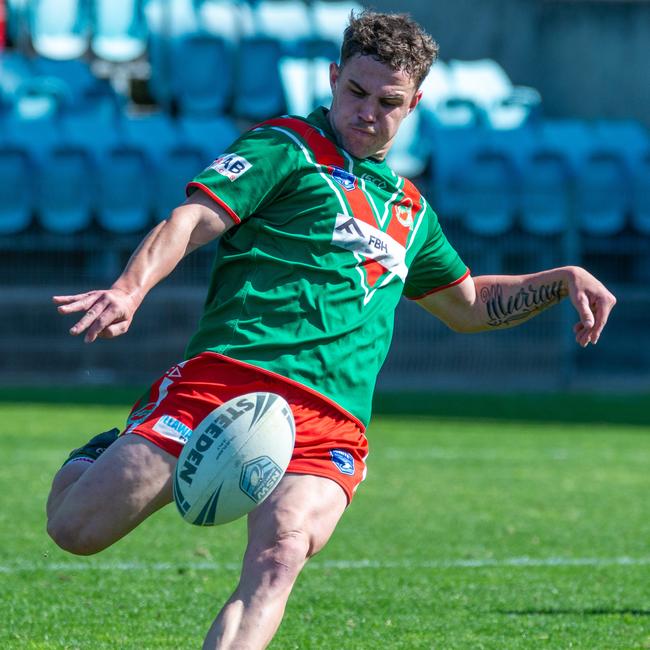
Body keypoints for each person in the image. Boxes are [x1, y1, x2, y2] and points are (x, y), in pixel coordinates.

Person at [46, 9, 616, 649]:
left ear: (415, 104)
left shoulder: (411, 209)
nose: (368, 111)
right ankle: (97, 454)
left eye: (388, 102)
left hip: (333, 420)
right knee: (77, 530)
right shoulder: (284, 147)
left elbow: (470, 305)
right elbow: (191, 220)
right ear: (333, 76)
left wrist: (561, 278)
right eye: (356, 92)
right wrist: (129, 289)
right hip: (226, 382)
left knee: (278, 556)